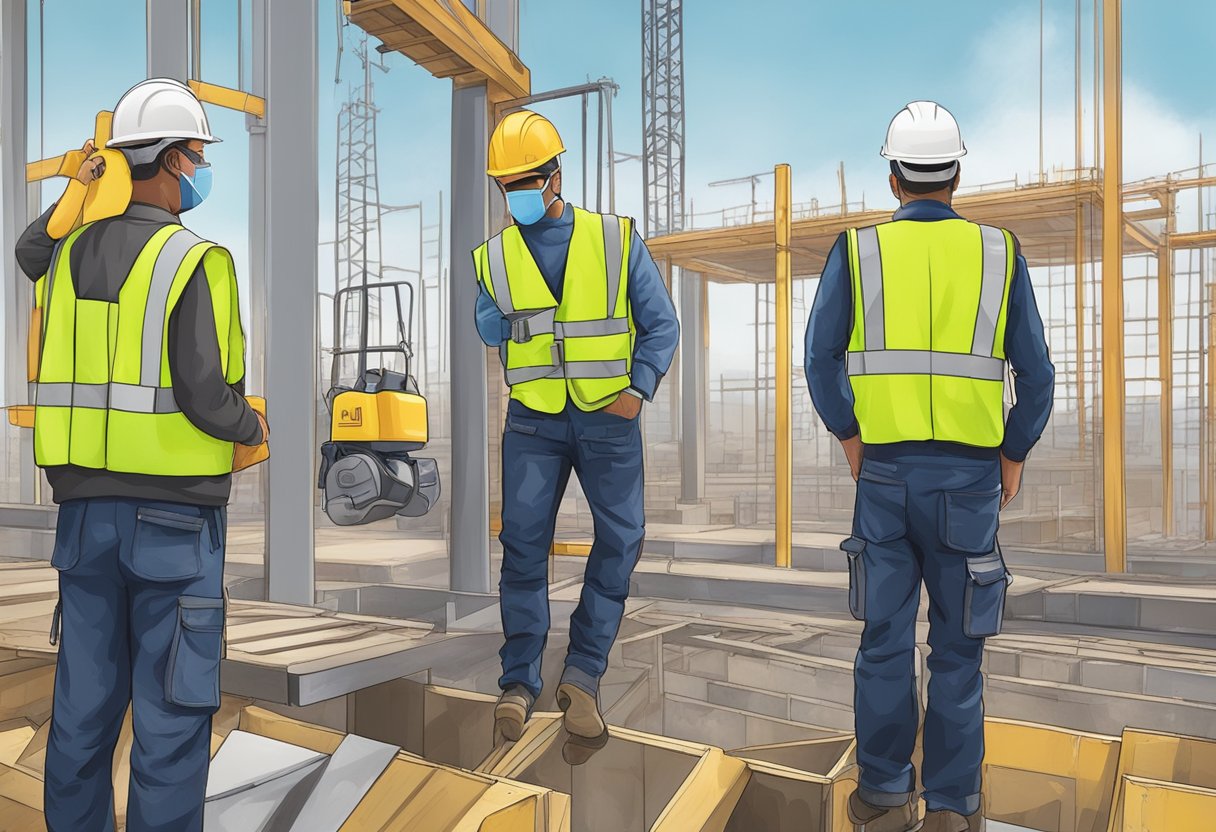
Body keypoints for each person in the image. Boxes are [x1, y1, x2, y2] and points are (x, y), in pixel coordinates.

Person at [15, 78, 266, 832]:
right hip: (174, 525)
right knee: (169, 720)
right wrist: (250, 427)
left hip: (84, 523)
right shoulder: (193, 260)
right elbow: (201, 389)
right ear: (166, 161)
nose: (199, 171)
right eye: (194, 155)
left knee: (82, 717)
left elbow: (30, 249)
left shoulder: (67, 256)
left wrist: (74, 195)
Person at [805, 101, 1054, 832]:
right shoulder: (1000, 254)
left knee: (884, 641)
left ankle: (884, 795)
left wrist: (851, 436)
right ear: (955, 175)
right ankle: (952, 806)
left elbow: (821, 359)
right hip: (971, 483)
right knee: (958, 650)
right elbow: (1036, 374)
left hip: (883, 478)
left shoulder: (857, 251)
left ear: (893, 177)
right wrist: (1013, 451)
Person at [472, 110, 679, 755]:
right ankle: (517, 683)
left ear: (556, 176)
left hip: (606, 418)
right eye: (506, 186)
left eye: (526, 182)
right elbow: (486, 323)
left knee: (621, 538)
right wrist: (509, 325)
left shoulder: (616, 239)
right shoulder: (494, 257)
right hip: (533, 419)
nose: (517, 197)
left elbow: (661, 323)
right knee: (524, 546)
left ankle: (584, 673)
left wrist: (638, 387)